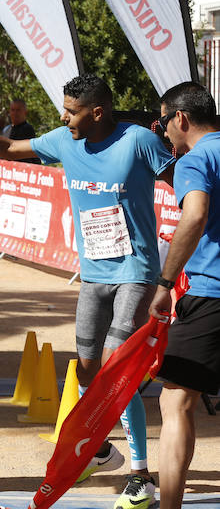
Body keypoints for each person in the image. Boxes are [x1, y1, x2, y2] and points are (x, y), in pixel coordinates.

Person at [0, 73, 174, 509]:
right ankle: (100, 451)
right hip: (94, 275)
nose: (64, 118)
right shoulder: (65, 141)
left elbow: (187, 185)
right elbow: (7, 148)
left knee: (116, 372)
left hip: (136, 273)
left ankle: (141, 477)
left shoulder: (138, 141)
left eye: (71, 111)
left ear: (97, 112)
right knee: (86, 371)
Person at [146, 82, 220, 509]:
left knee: (175, 400)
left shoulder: (196, 159)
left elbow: (194, 216)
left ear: (181, 119)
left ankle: (170, 506)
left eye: (162, 123)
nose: (163, 133)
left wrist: (164, 284)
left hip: (212, 294)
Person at [1, 99, 40, 164]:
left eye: (18, 110)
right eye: (12, 110)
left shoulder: (27, 129)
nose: (15, 113)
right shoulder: (6, 130)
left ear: (25, 112)